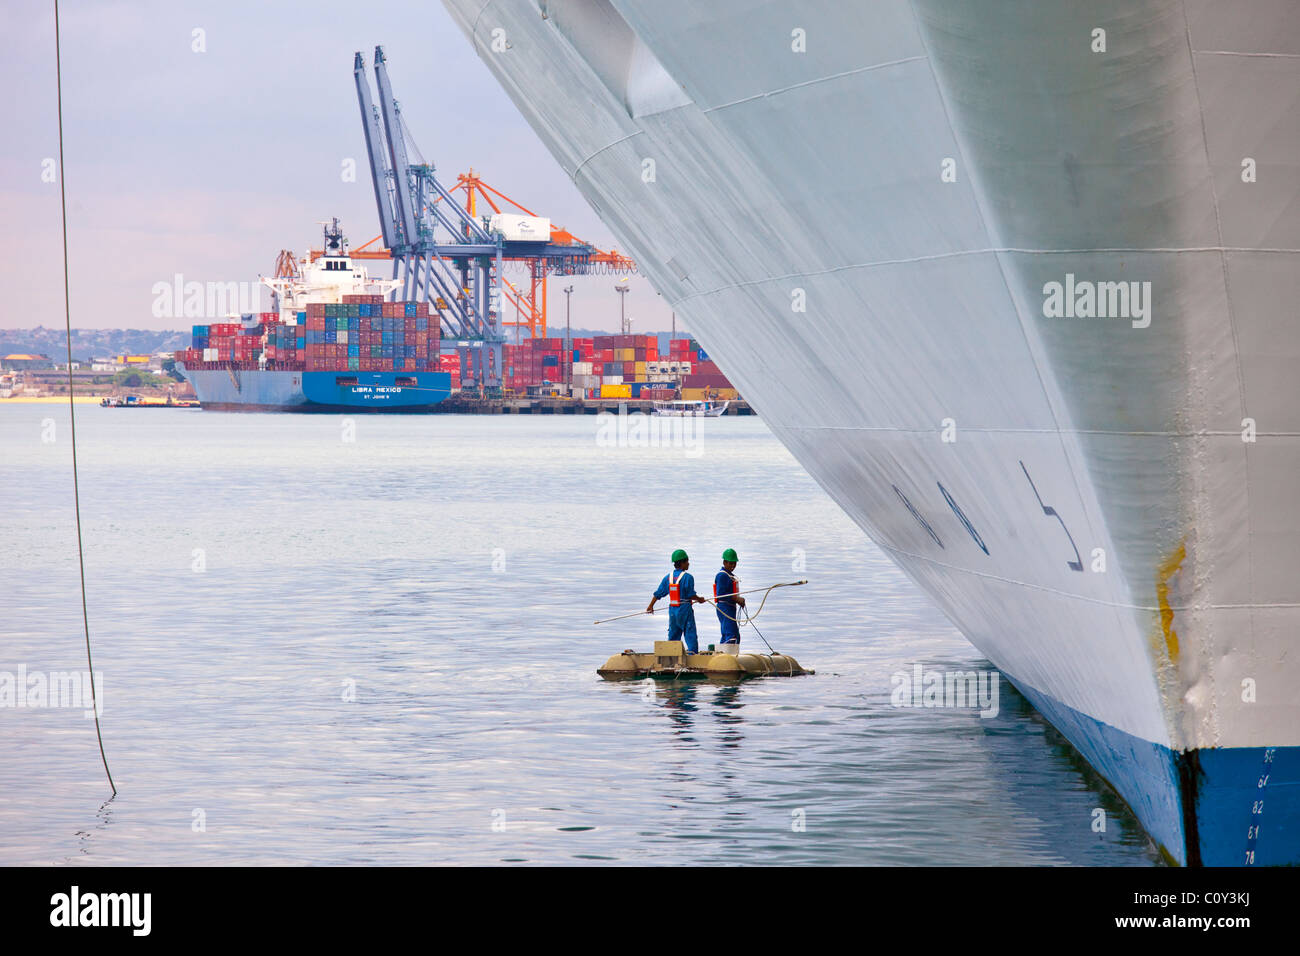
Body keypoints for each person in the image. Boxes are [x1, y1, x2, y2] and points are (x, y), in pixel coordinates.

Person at [647, 549, 707, 653]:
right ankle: (693, 655)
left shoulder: (668, 578)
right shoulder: (688, 577)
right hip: (685, 610)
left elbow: (658, 593)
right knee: (690, 633)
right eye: (687, 561)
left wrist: (651, 606)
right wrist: (699, 599)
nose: (688, 563)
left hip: (673, 610)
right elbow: (690, 594)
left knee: (673, 635)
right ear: (682, 563)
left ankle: (671, 656)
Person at [714, 548, 747, 651]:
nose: (733, 566)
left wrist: (737, 600)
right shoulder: (722, 576)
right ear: (724, 562)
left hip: (730, 608)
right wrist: (736, 599)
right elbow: (721, 594)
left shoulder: (729, 575)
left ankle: (721, 654)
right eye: (730, 563)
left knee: (732, 634)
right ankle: (727, 659)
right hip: (724, 608)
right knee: (731, 634)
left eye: (734, 563)